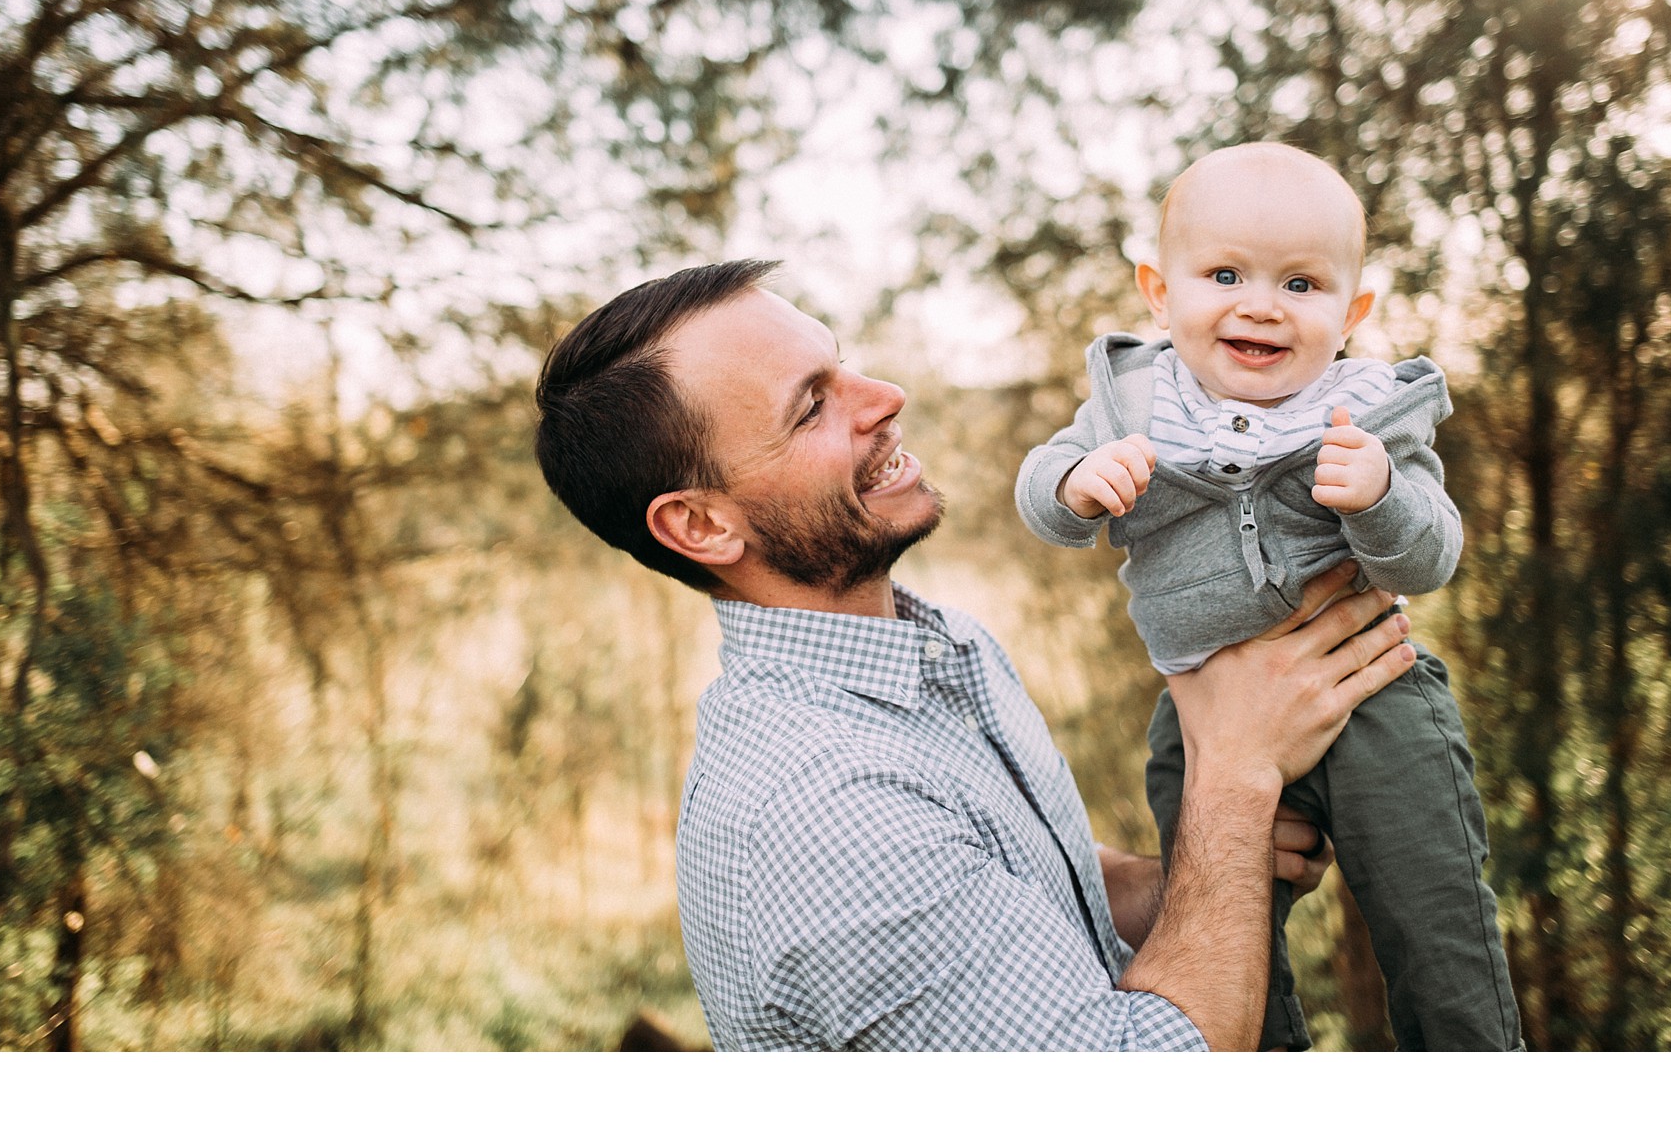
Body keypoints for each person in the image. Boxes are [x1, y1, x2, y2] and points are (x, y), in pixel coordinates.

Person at [534, 257, 1418, 1050]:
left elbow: (1037, 891)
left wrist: (1194, 875)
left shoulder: (938, 643)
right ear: (700, 524)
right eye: (812, 405)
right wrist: (1235, 776)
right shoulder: (827, 815)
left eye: (842, 362)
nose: (882, 396)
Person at [1015, 143, 1520, 1050]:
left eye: (1301, 283)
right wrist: (1075, 483)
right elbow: (1040, 488)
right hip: (1201, 714)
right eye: (1224, 273)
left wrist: (1381, 496)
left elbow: (1431, 555)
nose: (1260, 304)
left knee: (1433, 916)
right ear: (1159, 292)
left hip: (1374, 701)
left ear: (1352, 311)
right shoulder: (1133, 402)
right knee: (1217, 926)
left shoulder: (1368, 409)